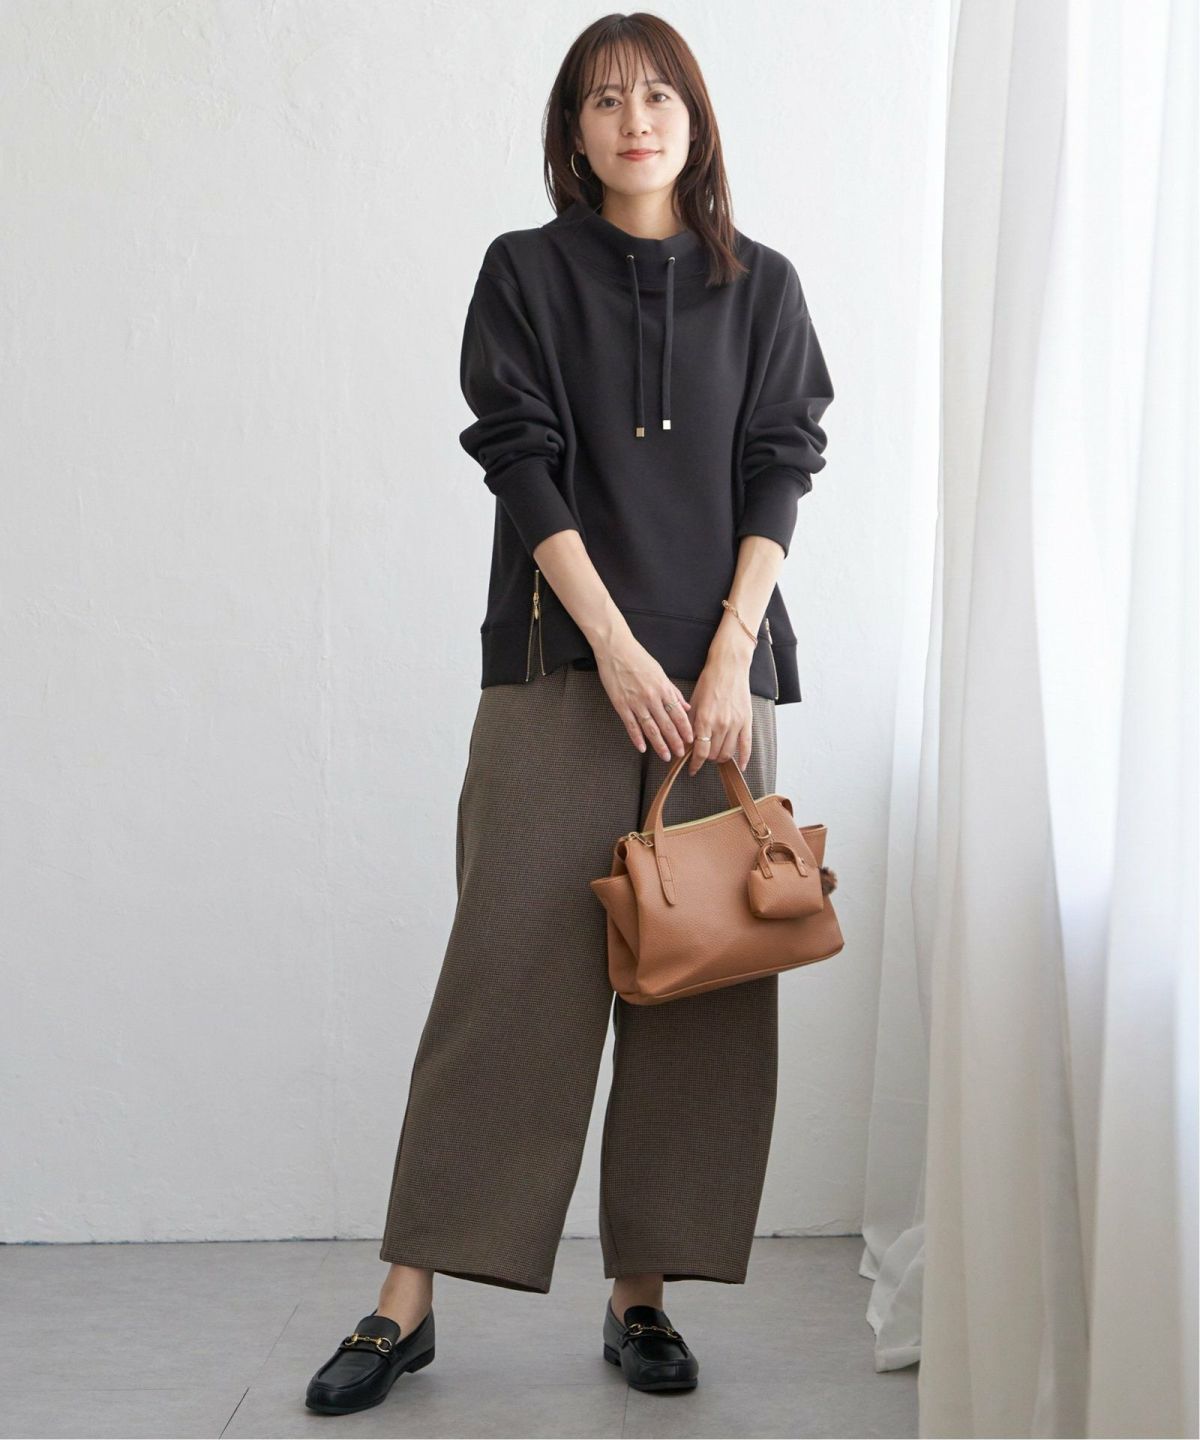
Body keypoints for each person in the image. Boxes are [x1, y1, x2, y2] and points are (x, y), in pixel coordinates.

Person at [305, 11, 834, 1417]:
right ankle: (404, 1302)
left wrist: (727, 656)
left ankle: (642, 1295)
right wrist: (613, 646)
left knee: (700, 984)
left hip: (719, 690)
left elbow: (782, 464)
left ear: (695, 118)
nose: (634, 120)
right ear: (572, 130)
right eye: (604, 100)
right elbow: (519, 458)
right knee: (508, 981)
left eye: (657, 95)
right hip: (560, 668)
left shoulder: (765, 287)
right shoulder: (524, 273)